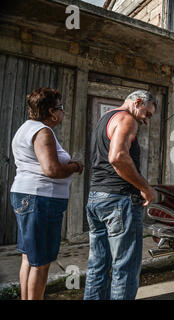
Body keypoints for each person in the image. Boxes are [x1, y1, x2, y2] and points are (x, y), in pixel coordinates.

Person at [10, 87, 84, 300]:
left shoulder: (26, 128)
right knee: (41, 262)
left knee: (29, 257)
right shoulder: (43, 132)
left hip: (28, 196)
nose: (63, 113)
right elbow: (51, 170)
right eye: (61, 108)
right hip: (41, 199)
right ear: (52, 111)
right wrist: (75, 166)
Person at [83, 90, 157, 300]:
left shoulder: (104, 119)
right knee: (125, 268)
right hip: (119, 201)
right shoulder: (127, 119)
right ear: (138, 102)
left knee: (98, 266)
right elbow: (117, 157)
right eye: (147, 113)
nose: (146, 120)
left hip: (97, 198)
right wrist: (145, 187)